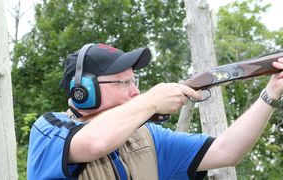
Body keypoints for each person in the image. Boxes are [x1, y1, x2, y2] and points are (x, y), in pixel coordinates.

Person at [27, 43, 283, 180]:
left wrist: (271, 92)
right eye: (123, 82)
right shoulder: (50, 129)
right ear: (83, 91)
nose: (135, 91)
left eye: (134, 82)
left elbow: (227, 151)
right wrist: (151, 101)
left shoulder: (148, 136)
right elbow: (94, 142)